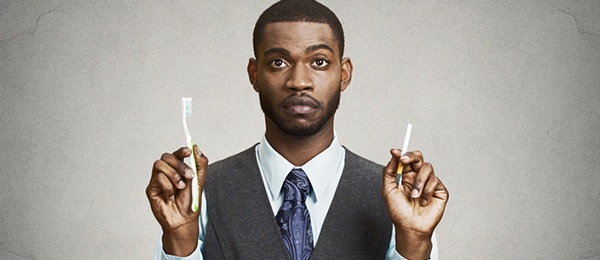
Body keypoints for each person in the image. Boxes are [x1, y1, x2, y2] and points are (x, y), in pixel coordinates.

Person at [146, 0, 449, 259]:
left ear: (344, 75)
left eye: (319, 61)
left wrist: (414, 242)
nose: (299, 81)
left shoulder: (400, 202)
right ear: (255, 75)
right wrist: (178, 238)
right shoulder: (201, 196)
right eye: (278, 62)